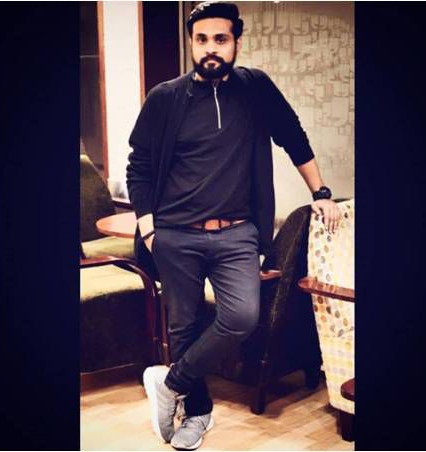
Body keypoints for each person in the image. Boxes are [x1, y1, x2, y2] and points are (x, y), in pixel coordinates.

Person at [126, 2, 341, 450]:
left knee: (242, 317)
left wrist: (320, 192)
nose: (211, 48)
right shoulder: (165, 97)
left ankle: (169, 383)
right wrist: (149, 228)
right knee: (183, 328)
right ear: (191, 42)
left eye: (220, 39)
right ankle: (197, 413)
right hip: (176, 234)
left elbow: (293, 136)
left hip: (237, 233)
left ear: (236, 42)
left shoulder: (255, 88)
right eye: (201, 39)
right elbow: (139, 165)